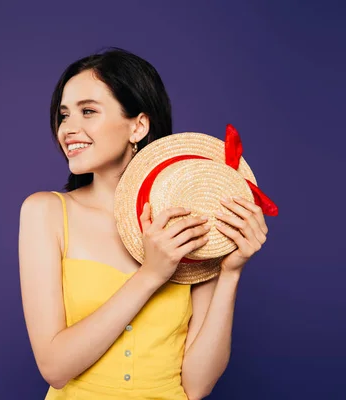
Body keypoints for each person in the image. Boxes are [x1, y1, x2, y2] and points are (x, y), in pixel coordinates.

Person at [18, 48, 269, 400]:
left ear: (138, 125)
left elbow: (196, 386)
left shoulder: (189, 222)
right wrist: (151, 274)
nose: (68, 129)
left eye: (88, 111)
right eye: (63, 115)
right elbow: (55, 368)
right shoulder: (45, 212)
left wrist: (230, 273)